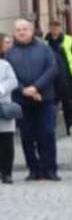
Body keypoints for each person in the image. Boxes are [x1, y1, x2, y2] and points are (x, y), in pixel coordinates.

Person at [7, 19, 59, 181]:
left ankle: (50, 169)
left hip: (44, 98)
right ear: (14, 33)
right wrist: (24, 90)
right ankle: (33, 169)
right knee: (27, 136)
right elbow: (9, 76)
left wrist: (36, 87)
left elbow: (52, 69)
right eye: (18, 30)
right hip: (21, 100)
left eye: (25, 29)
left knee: (47, 133)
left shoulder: (44, 49)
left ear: (31, 31)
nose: (22, 32)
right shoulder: (9, 53)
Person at [49, 20, 72, 132]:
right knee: (52, 104)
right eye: (52, 27)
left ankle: (70, 127)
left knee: (68, 104)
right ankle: (51, 128)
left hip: (66, 75)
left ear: (60, 28)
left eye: (57, 27)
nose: (55, 29)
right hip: (51, 77)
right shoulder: (46, 41)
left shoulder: (68, 39)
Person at [0, 35, 18, 184]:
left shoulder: (4, 65)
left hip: (3, 107)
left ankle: (6, 172)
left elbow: (13, 81)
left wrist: (1, 89)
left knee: (6, 142)